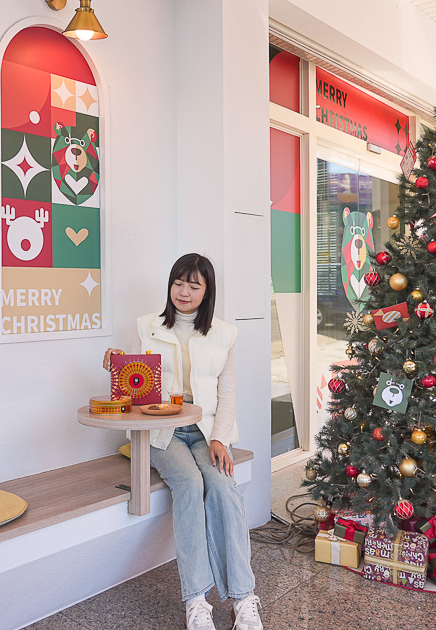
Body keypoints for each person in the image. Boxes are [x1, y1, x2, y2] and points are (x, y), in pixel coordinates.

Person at [103, 253, 262, 630]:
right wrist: (116, 364)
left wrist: (221, 439)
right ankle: (196, 601)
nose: (184, 291)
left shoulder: (224, 333)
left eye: (194, 285)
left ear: (207, 291)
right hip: (162, 433)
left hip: (205, 432)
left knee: (223, 487)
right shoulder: (148, 327)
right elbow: (134, 384)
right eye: (178, 283)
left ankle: (243, 599)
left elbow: (228, 395)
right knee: (189, 485)